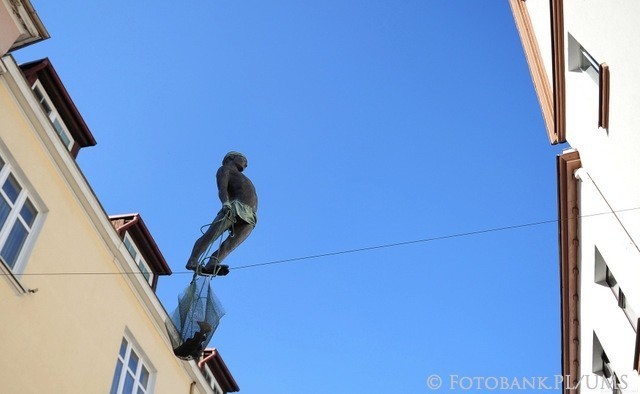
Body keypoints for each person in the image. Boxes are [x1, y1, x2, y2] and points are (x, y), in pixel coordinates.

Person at [185, 151, 258, 275]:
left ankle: (213, 262)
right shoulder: (225, 169)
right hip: (234, 207)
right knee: (212, 234)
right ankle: (193, 260)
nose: (246, 164)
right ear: (232, 157)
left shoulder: (243, 177)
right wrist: (225, 203)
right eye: (243, 160)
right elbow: (222, 188)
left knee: (230, 245)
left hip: (250, 216)